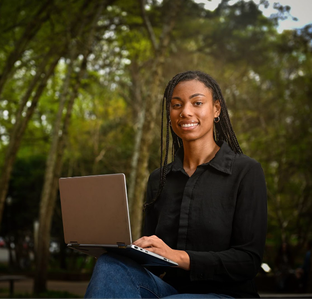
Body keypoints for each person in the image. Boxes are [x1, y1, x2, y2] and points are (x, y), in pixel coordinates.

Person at [84, 70, 268, 299]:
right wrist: (126, 253)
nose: (186, 112)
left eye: (197, 102)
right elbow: (155, 261)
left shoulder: (246, 172)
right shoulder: (159, 179)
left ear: (216, 109)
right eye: (177, 105)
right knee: (110, 264)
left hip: (227, 294)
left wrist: (178, 256)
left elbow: (248, 260)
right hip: (169, 291)